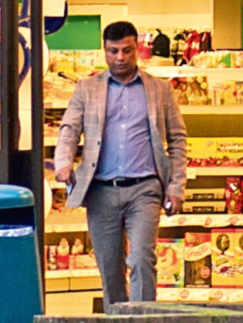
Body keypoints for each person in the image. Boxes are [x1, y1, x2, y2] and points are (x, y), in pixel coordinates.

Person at [49, 19, 187, 308]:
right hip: (101, 191)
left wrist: (175, 187)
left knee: (141, 258)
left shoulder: (160, 90)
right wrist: (63, 163)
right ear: (104, 50)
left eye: (126, 50)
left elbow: (177, 140)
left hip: (145, 189)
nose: (120, 57)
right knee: (110, 268)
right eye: (113, 51)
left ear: (137, 49)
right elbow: (69, 129)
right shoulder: (87, 89)